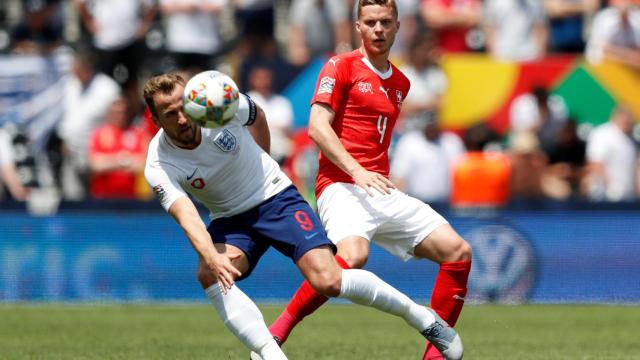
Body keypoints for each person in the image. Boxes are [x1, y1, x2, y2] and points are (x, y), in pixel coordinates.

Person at [142, 72, 463, 360]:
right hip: (230, 219)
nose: (183, 119)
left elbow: (259, 115)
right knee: (209, 274)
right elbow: (187, 216)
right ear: (156, 121)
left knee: (328, 280)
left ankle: (422, 319)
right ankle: (271, 354)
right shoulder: (159, 164)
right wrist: (211, 255)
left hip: (277, 199)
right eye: (170, 115)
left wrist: (265, 159)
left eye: (184, 107)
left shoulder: (221, 103)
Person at [263, 2, 472, 360]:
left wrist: (370, 174)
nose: (378, 29)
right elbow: (316, 126)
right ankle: (274, 335)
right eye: (371, 22)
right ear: (358, 27)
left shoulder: (401, 83)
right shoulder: (339, 66)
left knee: (458, 252)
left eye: (385, 22)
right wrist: (356, 170)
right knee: (353, 257)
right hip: (341, 185)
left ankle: (434, 357)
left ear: (397, 27)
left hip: (380, 187)